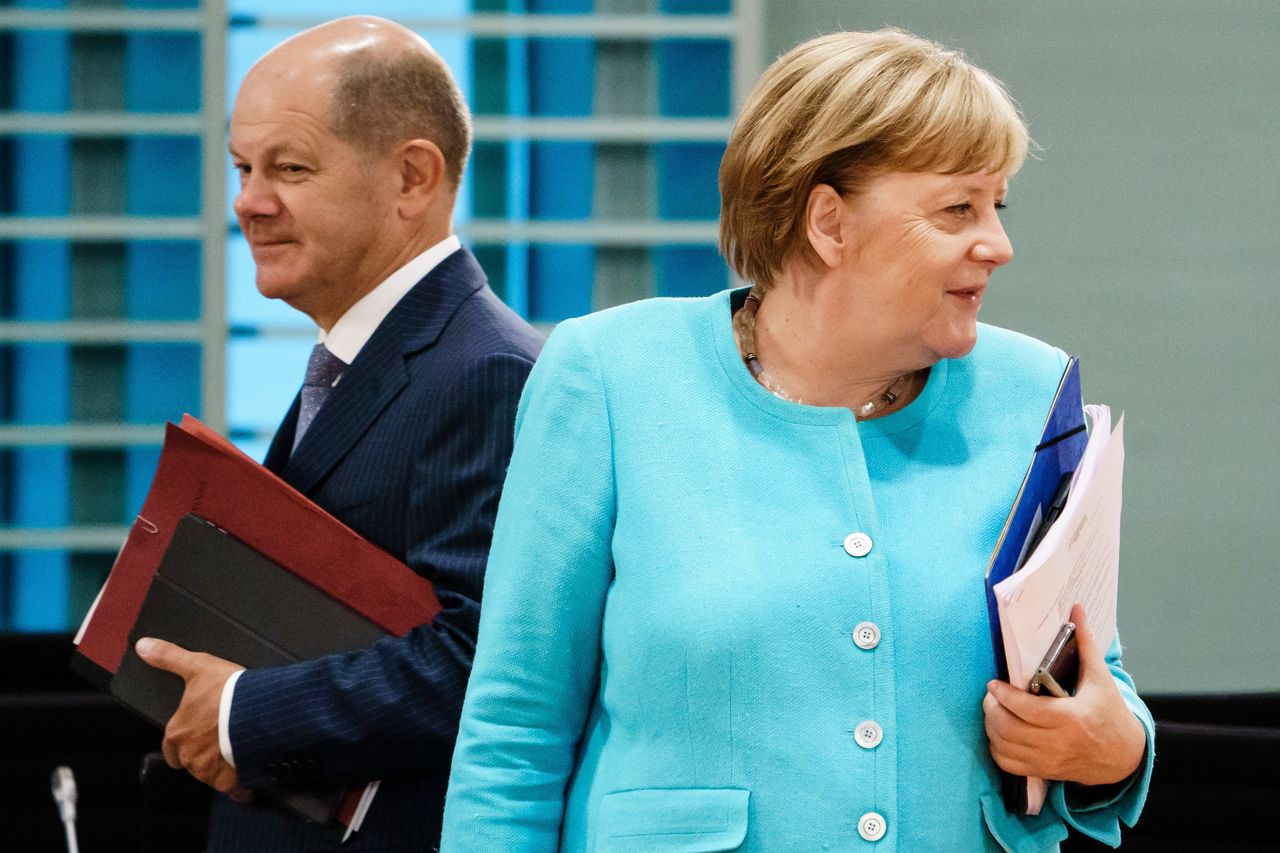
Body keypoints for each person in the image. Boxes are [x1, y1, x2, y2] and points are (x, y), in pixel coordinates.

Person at [439, 28, 1153, 851]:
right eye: (959, 207)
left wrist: (1115, 748)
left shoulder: (1034, 393)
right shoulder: (607, 379)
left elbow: (1099, 682)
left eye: (997, 205)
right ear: (828, 222)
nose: (997, 242)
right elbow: (515, 731)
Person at [132, 16, 542, 852]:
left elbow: (488, 661)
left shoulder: (488, 371)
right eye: (243, 168)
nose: (248, 200)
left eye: (290, 167)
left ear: (413, 178)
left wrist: (246, 716)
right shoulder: (356, 358)